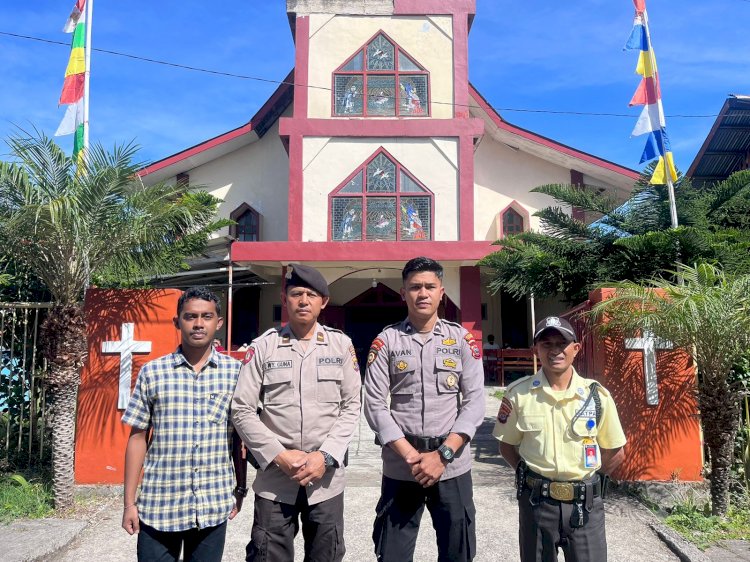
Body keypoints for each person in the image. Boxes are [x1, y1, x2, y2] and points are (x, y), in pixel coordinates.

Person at [232, 263, 361, 562]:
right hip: (276, 479)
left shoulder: (341, 345)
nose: (304, 301)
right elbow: (242, 408)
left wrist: (325, 455)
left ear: (323, 302)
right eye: (297, 294)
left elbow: (352, 404)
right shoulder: (264, 347)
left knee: (325, 556)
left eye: (311, 295)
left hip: (325, 479)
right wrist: (279, 455)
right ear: (285, 298)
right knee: (268, 556)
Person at [364, 256, 486, 562]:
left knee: (458, 553)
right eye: (415, 287)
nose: (423, 293)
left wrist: (443, 455)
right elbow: (375, 404)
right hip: (403, 466)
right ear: (403, 293)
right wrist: (410, 455)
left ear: (441, 292)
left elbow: (474, 402)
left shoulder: (460, 339)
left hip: (452, 465)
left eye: (430, 286)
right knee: (392, 553)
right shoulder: (386, 341)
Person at [121, 287, 247, 562]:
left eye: (206, 316)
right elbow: (137, 437)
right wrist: (129, 503)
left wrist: (240, 489)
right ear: (177, 322)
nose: (199, 324)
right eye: (190, 316)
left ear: (219, 323)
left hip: (212, 505)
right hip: (158, 506)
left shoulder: (236, 373)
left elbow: (241, 438)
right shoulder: (153, 373)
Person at [494, 316, 627, 562]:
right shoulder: (518, 394)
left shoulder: (596, 396)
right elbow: (506, 445)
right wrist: (528, 475)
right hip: (537, 503)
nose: (555, 350)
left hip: (585, 507)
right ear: (536, 350)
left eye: (562, 343)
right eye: (546, 344)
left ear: (576, 348)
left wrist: (588, 483)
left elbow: (616, 451)